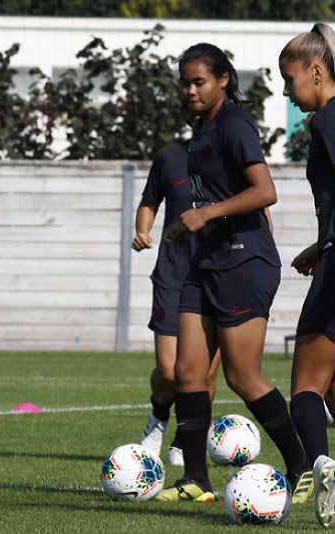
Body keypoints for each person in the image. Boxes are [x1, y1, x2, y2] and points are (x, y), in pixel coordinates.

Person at [155, 43, 311, 503]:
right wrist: (195, 226)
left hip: (245, 261)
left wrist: (205, 216)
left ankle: (301, 465)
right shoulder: (201, 126)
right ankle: (196, 480)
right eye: (185, 82)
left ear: (223, 79)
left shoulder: (235, 123)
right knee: (187, 370)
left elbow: (265, 191)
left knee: (242, 377)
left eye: (198, 81)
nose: (190, 90)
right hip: (205, 261)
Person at [132, 103, 220, 467]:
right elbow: (149, 202)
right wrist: (142, 230)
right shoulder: (169, 158)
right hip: (173, 273)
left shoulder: (229, 158)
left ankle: (187, 439)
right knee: (170, 370)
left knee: (205, 372)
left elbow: (257, 204)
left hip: (218, 272)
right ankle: (159, 414)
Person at [279, 22, 335, 527]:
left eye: (290, 80)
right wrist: (320, 247)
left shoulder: (328, 121)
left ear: (317, 72)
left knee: (306, 389)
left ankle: (320, 466)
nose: (286, 92)